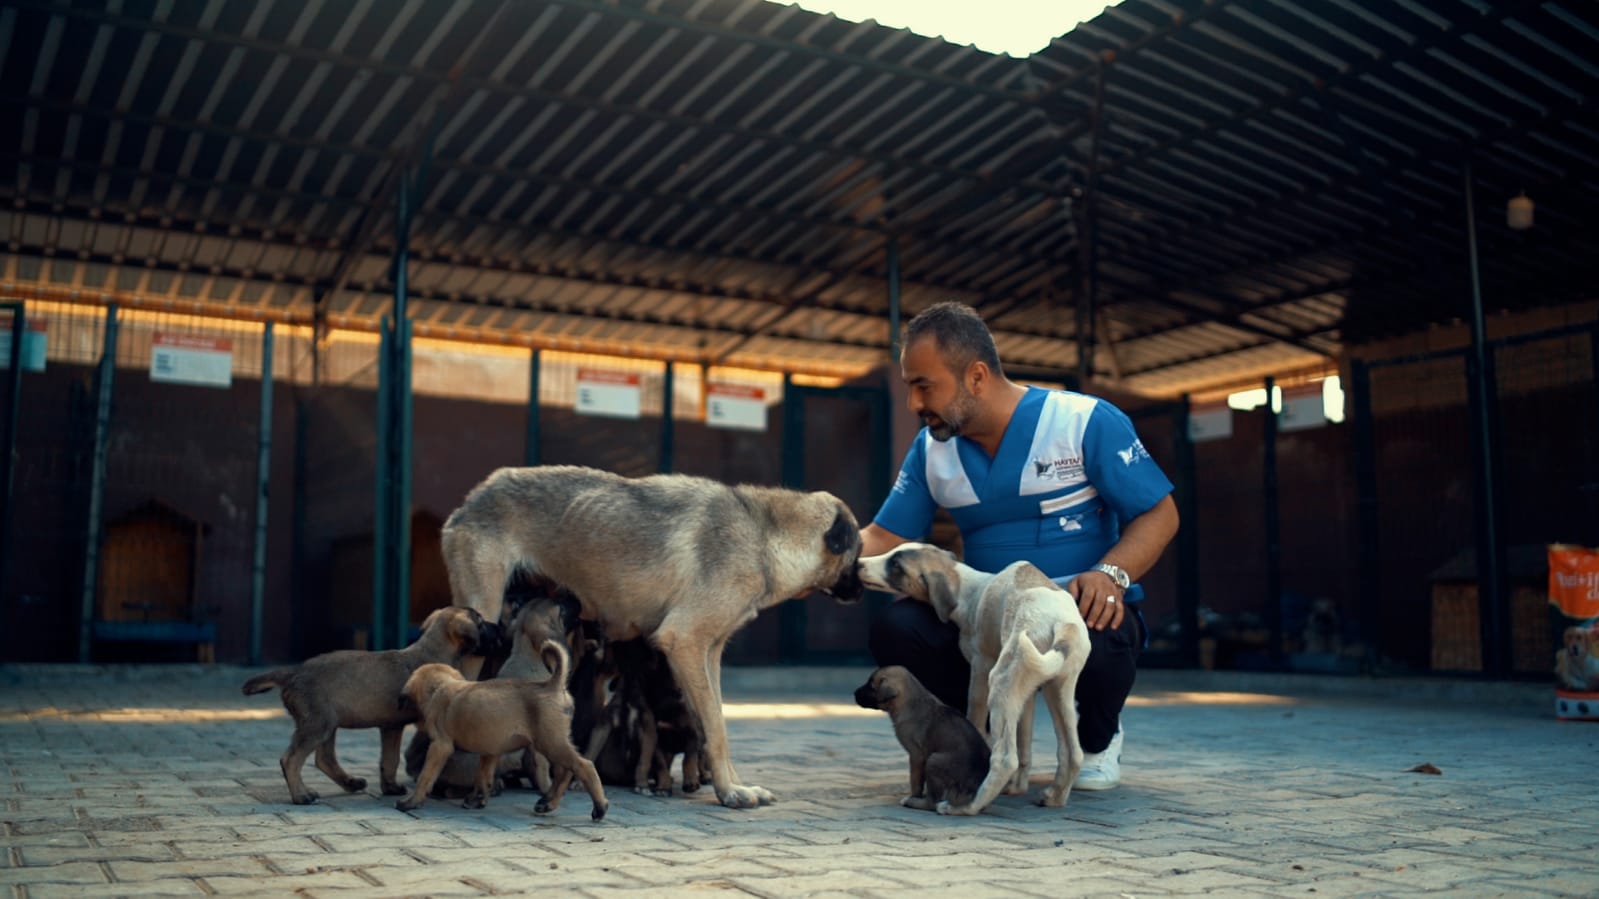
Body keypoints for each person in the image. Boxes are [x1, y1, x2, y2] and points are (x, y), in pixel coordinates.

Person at [861, 301, 1179, 791]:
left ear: (977, 377)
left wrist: (1111, 573)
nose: (913, 404)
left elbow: (1160, 513)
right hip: (988, 620)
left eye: (924, 385)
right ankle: (980, 736)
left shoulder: (1083, 421)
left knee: (1102, 625)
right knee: (898, 628)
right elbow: (883, 537)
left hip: (1076, 607)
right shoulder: (931, 449)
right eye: (909, 387)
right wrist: (811, 563)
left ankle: (1096, 741)